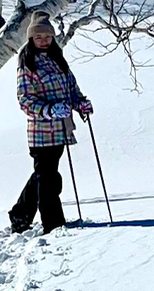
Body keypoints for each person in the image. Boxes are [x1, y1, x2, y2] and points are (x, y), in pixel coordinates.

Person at [8, 12, 93, 234]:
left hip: (62, 130)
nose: (43, 40)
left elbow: (71, 89)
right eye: (39, 37)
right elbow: (25, 101)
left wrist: (81, 103)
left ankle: (20, 214)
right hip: (41, 132)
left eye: (47, 36)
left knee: (43, 175)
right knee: (49, 179)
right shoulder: (27, 65)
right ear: (31, 39)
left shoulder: (58, 61)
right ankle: (54, 225)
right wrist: (49, 110)